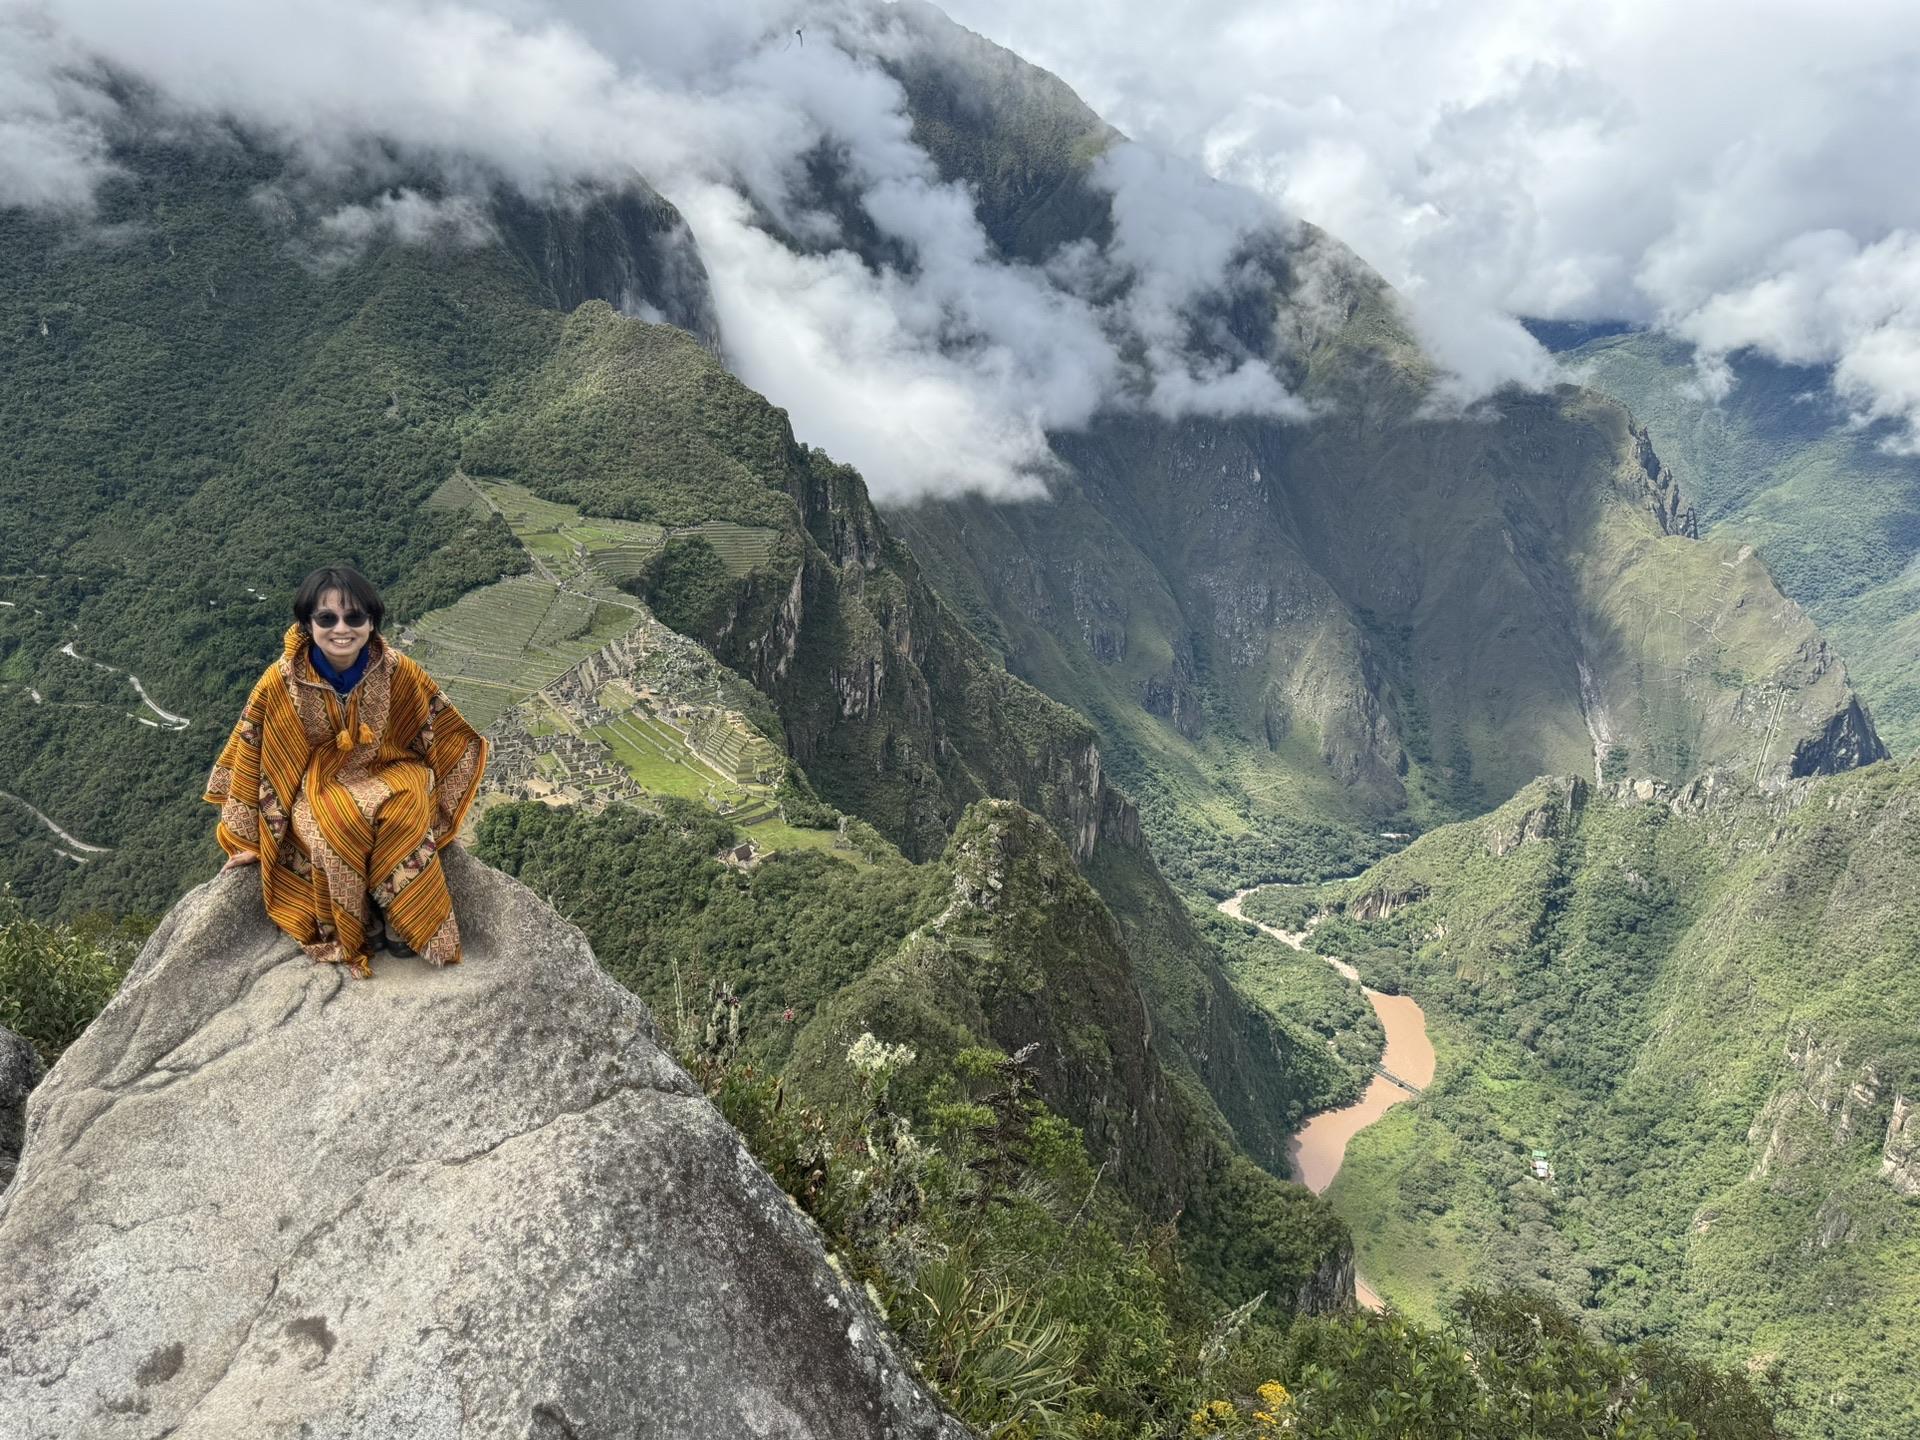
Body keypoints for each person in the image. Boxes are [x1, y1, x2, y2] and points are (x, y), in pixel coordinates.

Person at [203, 565, 488, 978]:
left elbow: (440, 727)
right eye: (327, 618)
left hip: (390, 766)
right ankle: (357, 922)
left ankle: (401, 915)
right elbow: (253, 751)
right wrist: (249, 838)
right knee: (332, 826)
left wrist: (441, 804)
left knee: (409, 810)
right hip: (317, 782)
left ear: (371, 623)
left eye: (354, 618)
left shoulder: (397, 671)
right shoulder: (281, 682)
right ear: (307, 623)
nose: (342, 628)